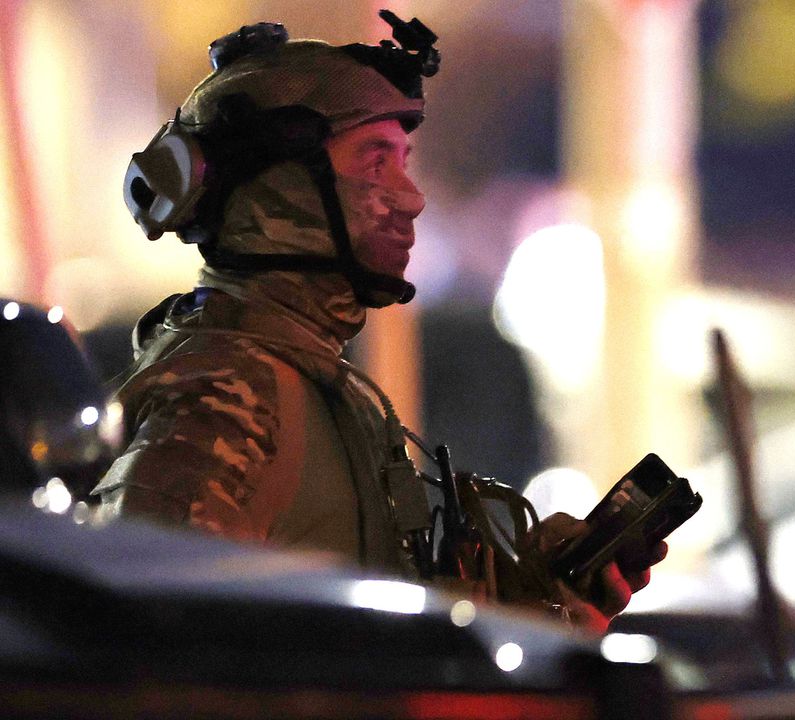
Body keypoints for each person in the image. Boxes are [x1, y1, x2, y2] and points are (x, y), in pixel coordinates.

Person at [94, 15, 657, 633]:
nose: (411, 198)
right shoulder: (228, 394)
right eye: (375, 163)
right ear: (283, 189)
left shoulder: (311, 380)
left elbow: (360, 630)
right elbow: (146, 647)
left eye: (403, 162)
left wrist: (538, 596)